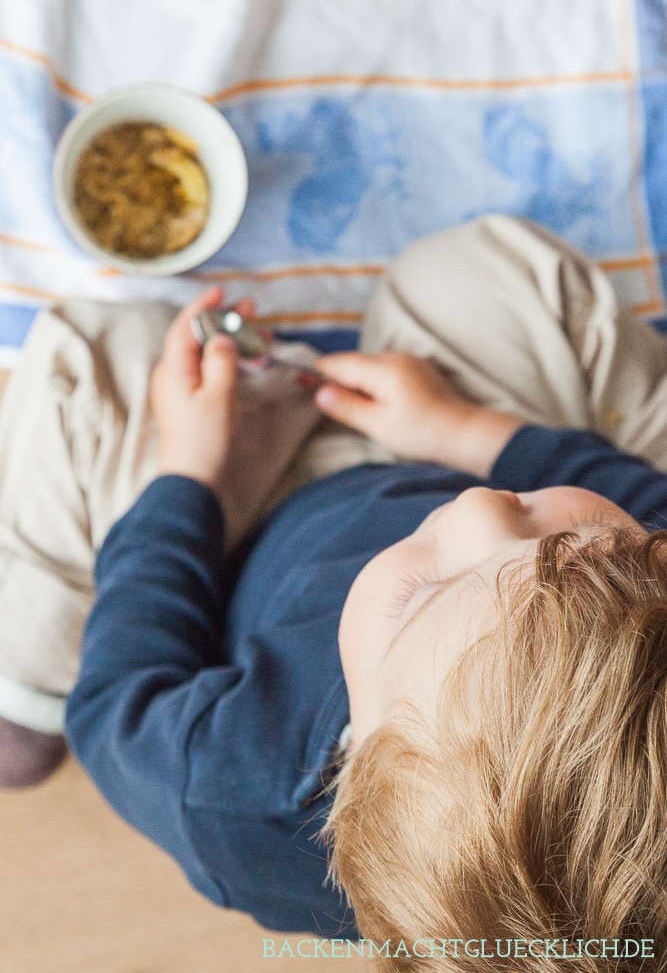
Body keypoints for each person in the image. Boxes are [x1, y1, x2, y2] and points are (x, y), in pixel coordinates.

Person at [2, 216, 667, 954]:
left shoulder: (223, 785)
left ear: (355, 771)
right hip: (442, 439)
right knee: (494, 272)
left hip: (227, 532)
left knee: (84, 360)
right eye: (592, 553)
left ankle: (25, 694)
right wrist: (472, 433)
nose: (479, 507)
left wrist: (186, 479)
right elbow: (643, 499)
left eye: (425, 600)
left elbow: (121, 694)